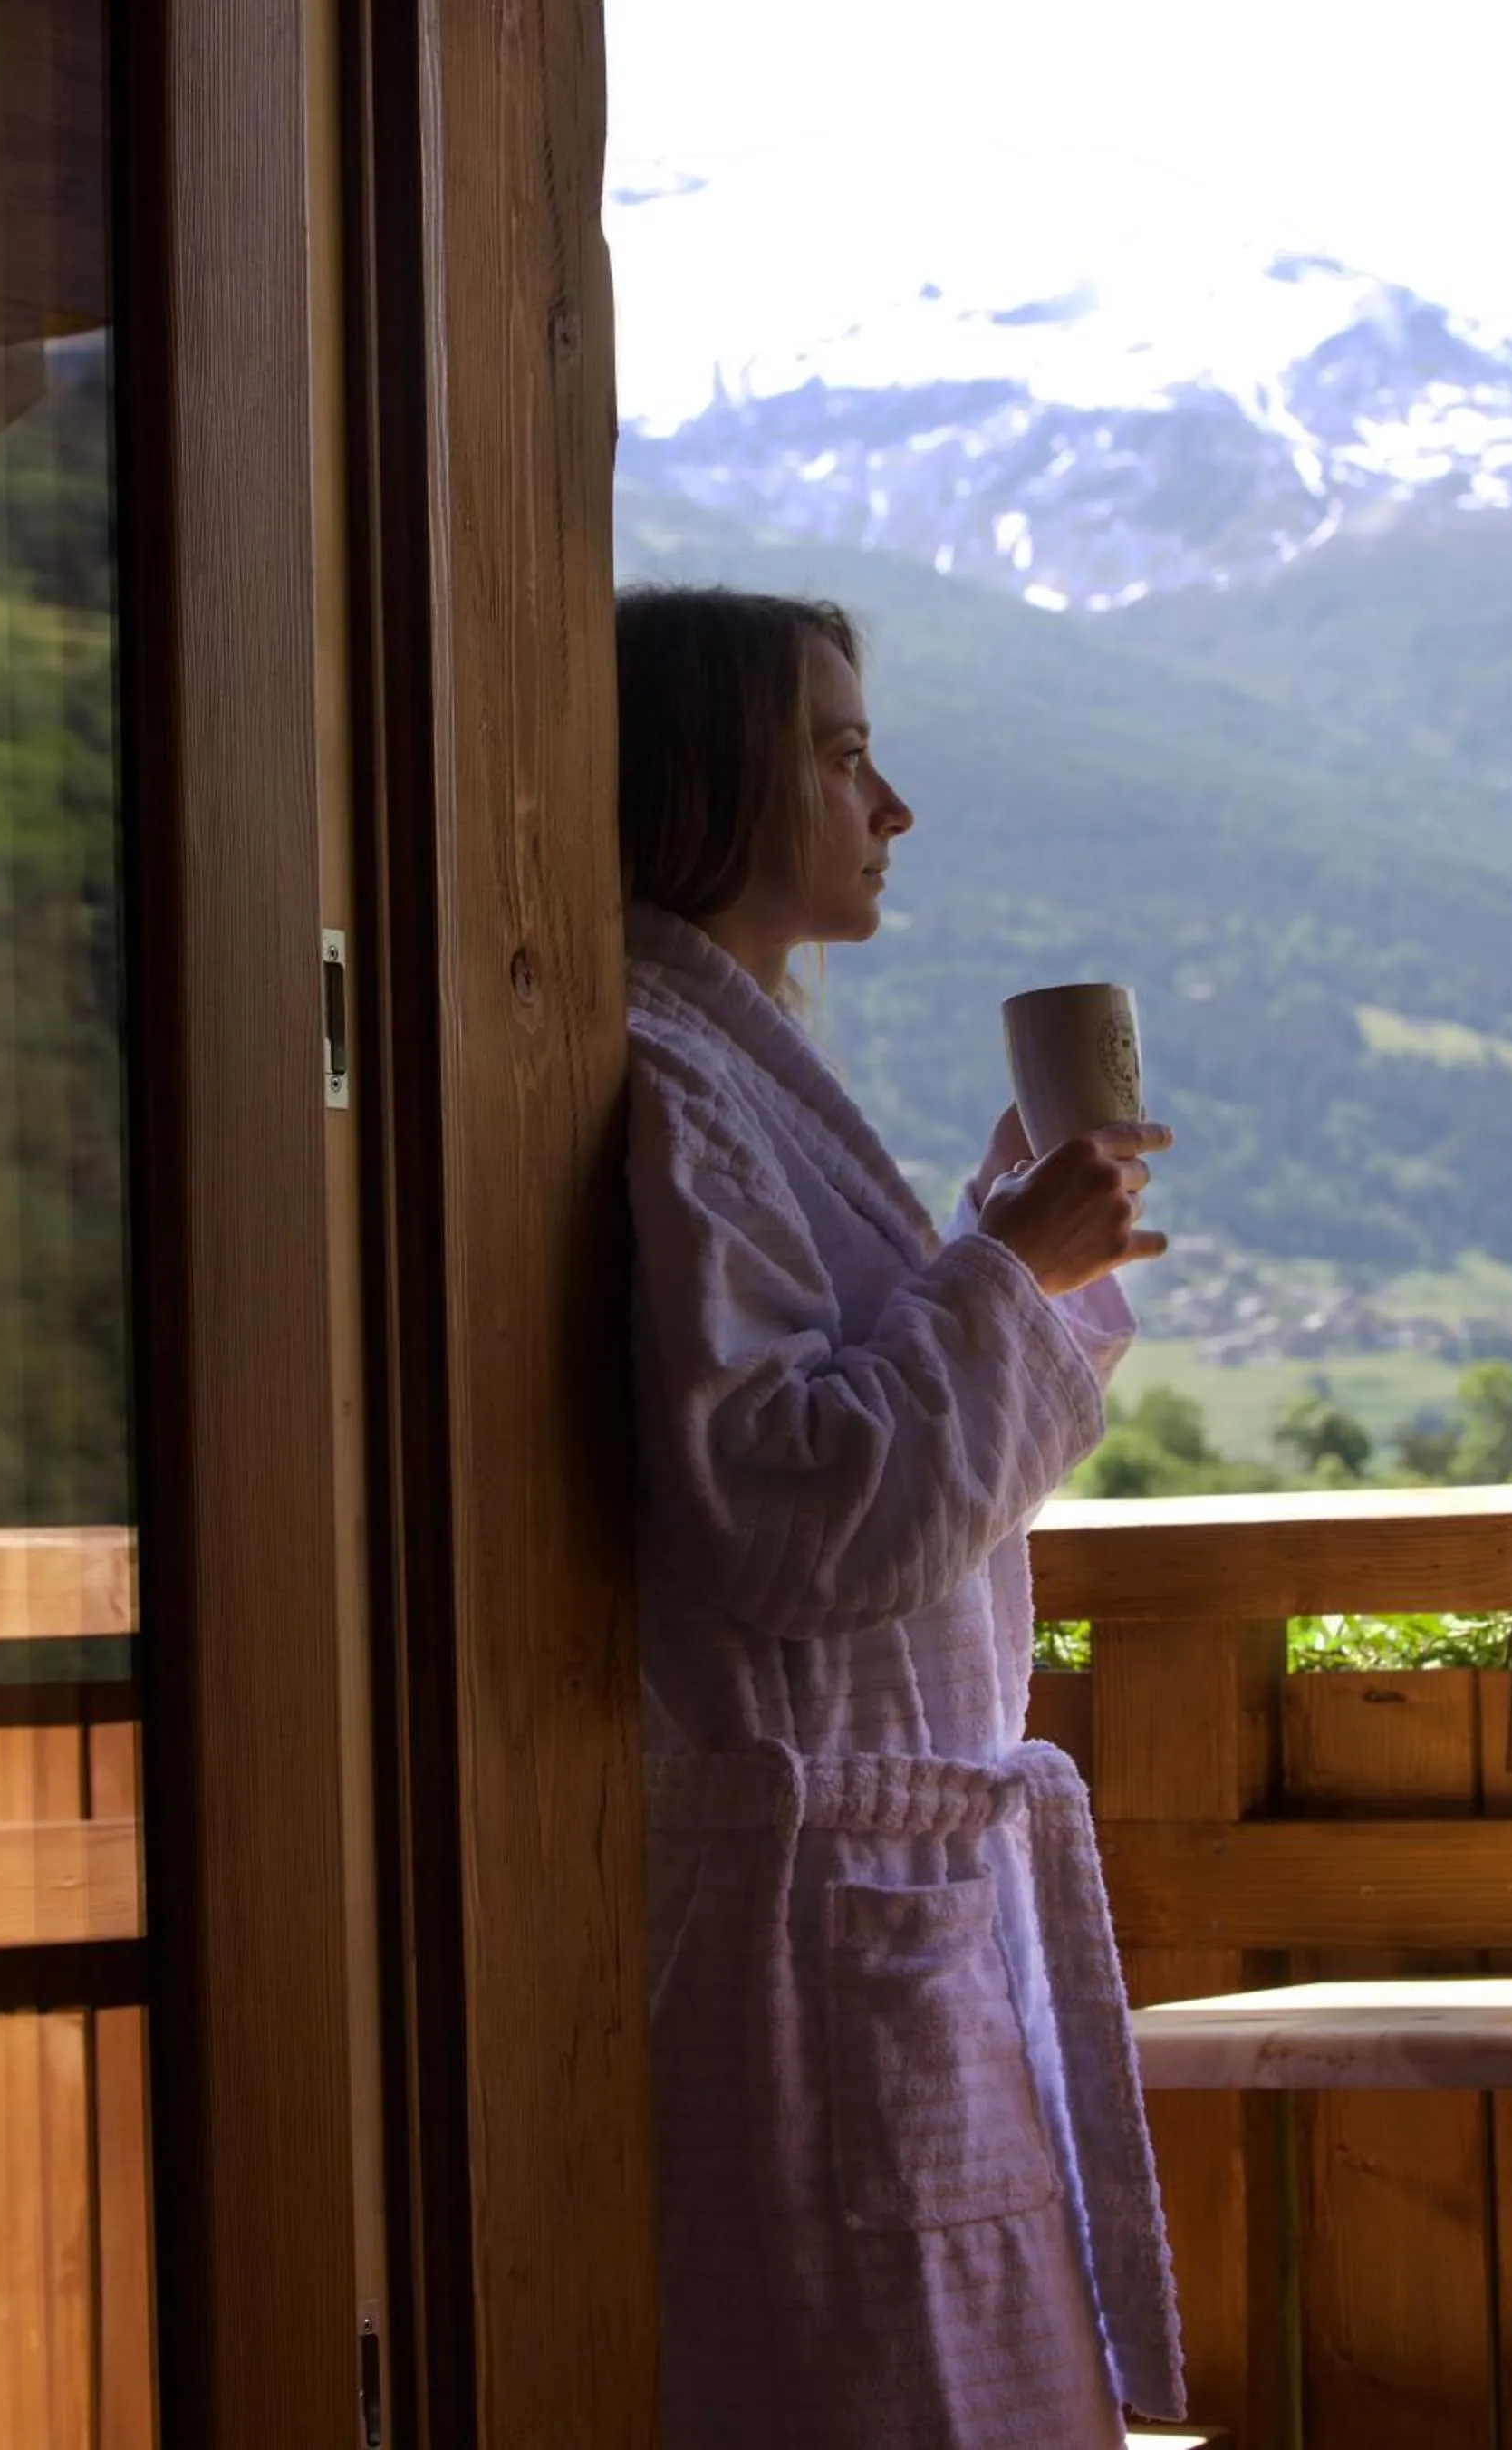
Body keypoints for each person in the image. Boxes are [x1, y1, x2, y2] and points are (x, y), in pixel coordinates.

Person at [619, 584, 1185, 2449]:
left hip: (873, 1904)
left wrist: (1009, 1263)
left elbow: (845, 1441)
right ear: (702, 776)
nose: (892, 808)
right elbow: (791, 1515)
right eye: (842, 754)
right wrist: (1003, 1273)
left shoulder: (715, 1066)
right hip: (808, 1925)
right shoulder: (661, 1086)